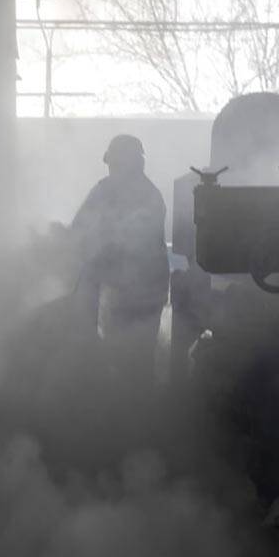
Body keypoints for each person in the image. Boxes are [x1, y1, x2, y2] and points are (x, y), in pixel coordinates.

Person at [69, 134, 169, 380]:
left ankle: (132, 407)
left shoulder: (149, 198)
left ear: (132, 163)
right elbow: (79, 228)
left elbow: (132, 243)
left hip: (141, 291)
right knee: (116, 356)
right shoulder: (104, 191)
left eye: (115, 164)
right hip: (118, 290)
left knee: (135, 359)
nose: (112, 169)